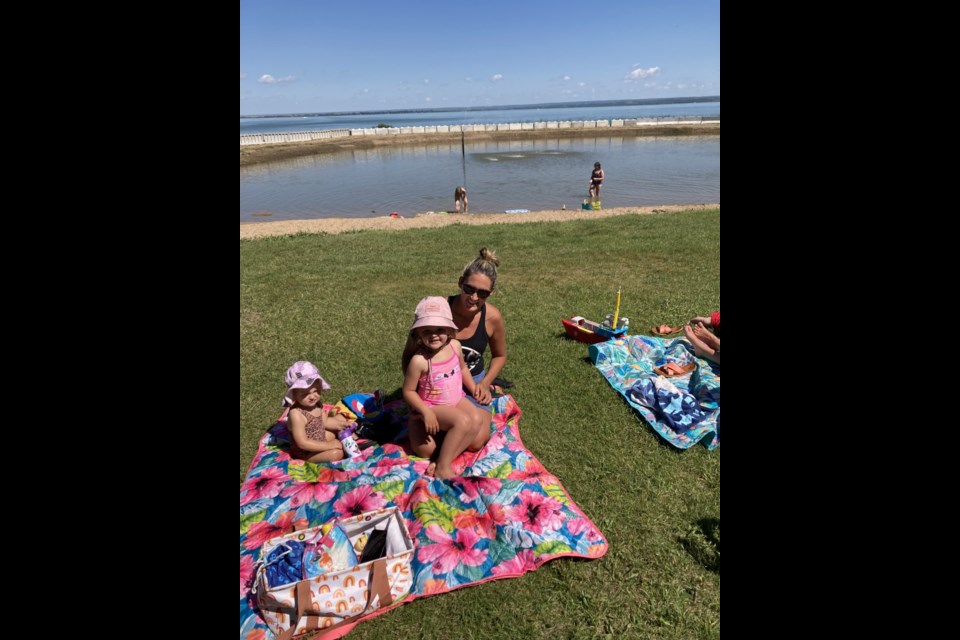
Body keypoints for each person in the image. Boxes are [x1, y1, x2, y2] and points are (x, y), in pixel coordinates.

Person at [402, 296, 490, 479]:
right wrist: (425, 412)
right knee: (459, 425)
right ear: (418, 334)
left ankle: (441, 461)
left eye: (440, 329)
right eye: (427, 331)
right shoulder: (420, 361)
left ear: (450, 330)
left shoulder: (455, 346)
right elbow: (408, 391)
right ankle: (443, 468)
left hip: (456, 398)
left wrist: (473, 388)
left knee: (476, 419)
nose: (433, 334)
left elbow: (463, 368)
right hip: (432, 405)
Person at [282, 361, 351, 463]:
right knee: (336, 453)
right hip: (306, 451)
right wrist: (329, 445)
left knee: (340, 419)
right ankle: (311, 459)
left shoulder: (317, 403)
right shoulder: (296, 414)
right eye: (305, 394)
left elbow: (325, 422)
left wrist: (342, 425)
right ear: (294, 395)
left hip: (320, 437)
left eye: (316, 391)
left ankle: (345, 436)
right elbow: (302, 443)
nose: (312, 396)